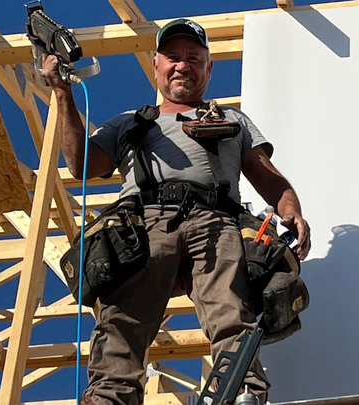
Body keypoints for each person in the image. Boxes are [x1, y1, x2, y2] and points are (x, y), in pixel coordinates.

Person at [40, 18, 311, 405]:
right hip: (142, 226)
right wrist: (62, 92)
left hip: (216, 220)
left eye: (193, 58)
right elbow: (82, 164)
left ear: (208, 68)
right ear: (157, 65)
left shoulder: (231, 120)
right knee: (122, 320)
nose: (182, 65)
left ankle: (241, 393)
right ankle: (109, 397)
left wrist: (291, 210)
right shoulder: (130, 122)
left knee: (229, 309)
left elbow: (268, 176)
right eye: (173, 57)